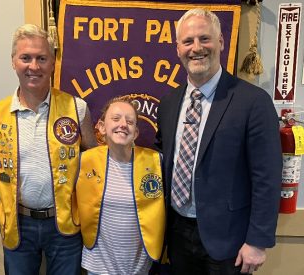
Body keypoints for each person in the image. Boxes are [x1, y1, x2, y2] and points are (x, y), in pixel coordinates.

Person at [155, 8, 282, 275]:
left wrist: (258, 241)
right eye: (188, 41)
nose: (196, 48)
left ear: (221, 42)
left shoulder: (253, 102)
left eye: (205, 39)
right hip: (176, 235)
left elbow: (267, 177)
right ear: (177, 48)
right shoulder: (168, 104)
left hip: (230, 242)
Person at [0, 24, 97, 274]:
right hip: (17, 226)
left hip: (65, 226)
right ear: (13, 62)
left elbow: (95, 164)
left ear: (53, 62)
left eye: (42, 58)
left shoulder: (77, 108)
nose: (34, 66)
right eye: (26, 58)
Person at [75, 97, 166, 274]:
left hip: (139, 266)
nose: (123, 124)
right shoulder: (84, 161)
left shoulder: (155, 162)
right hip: (98, 266)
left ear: (136, 132)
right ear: (102, 127)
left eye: (130, 121)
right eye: (116, 119)